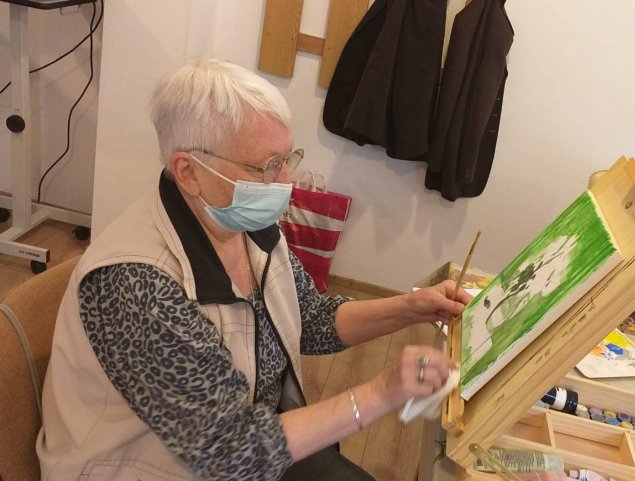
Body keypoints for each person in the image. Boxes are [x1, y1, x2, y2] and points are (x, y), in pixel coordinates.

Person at [36, 59, 471, 481]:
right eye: (266, 167)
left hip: (246, 438)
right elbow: (230, 453)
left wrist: (411, 307)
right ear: (188, 171)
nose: (287, 181)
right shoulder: (139, 284)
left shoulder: (246, 224)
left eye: (287, 158)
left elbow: (310, 319)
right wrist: (380, 393)